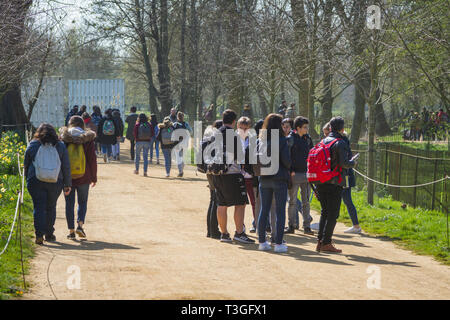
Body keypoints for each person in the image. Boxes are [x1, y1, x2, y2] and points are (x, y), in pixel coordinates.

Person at [313, 116, 356, 253]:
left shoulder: (323, 141)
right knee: (333, 213)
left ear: (330, 127)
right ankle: (326, 242)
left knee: (325, 211)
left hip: (320, 181)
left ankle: (320, 241)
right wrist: (353, 162)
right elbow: (344, 163)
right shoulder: (340, 142)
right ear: (342, 128)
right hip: (334, 181)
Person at [24, 123, 72, 244]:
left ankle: (39, 235)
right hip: (55, 181)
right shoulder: (60, 146)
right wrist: (67, 184)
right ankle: (49, 234)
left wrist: (26, 178)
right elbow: (66, 166)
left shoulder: (34, 144)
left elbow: (26, 163)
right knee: (51, 207)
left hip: (36, 179)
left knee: (38, 206)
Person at [211, 109, 254, 244]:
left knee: (222, 204)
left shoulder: (215, 134)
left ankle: (224, 234)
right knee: (240, 204)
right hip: (232, 173)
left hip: (217, 173)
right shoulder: (233, 136)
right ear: (234, 122)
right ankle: (239, 233)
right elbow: (240, 157)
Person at [257, 113, 291, 253]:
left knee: (263, 210)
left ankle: (262, 242)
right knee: (279, 211)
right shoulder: (282, 141)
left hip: (264, 178)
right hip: (279, 178)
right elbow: (287, 161)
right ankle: (278, 243)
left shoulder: (261, 140)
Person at [60, 116, 97, 239]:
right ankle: (80, 225)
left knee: (69, 203)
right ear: (82, 125)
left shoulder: (63, 138)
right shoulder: (88, 139)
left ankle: (71, 231)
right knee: (82, 202)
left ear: (69, 124)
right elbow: (92, 159)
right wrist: (93, 177)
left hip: (67, 177)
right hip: (84, 176)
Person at [287, 116, 314, 235]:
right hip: (294, 175)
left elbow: (313, 155)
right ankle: (291, 225)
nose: (307, 129)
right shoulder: (290, 139)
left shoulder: (308, 139)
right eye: (304, 127)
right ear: (298, 128)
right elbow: (286, 156)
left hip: (306, 174)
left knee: (306, 202)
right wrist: (290, 170)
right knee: (292, 202)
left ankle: (307, 226)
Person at [237, 117, 257, 232]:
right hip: (237, 174)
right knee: (240, 203)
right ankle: (241, 226)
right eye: (241, 128)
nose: (243, 131)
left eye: (245, 129)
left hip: (249, 174)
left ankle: (256, 223)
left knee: (254, 201)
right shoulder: (233, 138)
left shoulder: (253, 139)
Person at [204, 120, 223, 239]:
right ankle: (214, 230)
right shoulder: (217, 138)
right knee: (215, 201)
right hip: (214, 170)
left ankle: (210, 230)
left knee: (212, 200)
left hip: (208, 170)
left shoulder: (208, 136)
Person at [341, 131, 361, 234]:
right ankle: (356, 225)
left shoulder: (342, 143)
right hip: (344, 176)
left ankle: (356, 225)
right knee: (347, 201)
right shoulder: (344, 143)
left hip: (345, 177)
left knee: (347, 200)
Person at [173, 112, 192, 177]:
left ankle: (180, 171)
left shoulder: (175, 124)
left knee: (178, 158)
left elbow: (171, 131)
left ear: (177, 117)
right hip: (185, 142)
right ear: (183, 117)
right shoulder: (186, 124)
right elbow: (191, 131)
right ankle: (181, 169)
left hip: (177, 143)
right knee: (182, 157)